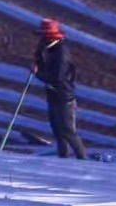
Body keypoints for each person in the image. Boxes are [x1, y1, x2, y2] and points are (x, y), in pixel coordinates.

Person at [32, 18, 86, 159]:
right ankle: (63, 158)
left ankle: (82, 159)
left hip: (64, 96)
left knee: (68, 130)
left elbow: (57, 77)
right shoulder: (48, 49)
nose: (41, 38)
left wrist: (38, 73)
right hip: (53, 95)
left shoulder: (61, 52)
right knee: (57, 130)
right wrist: (39, 59)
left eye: (43, 35)